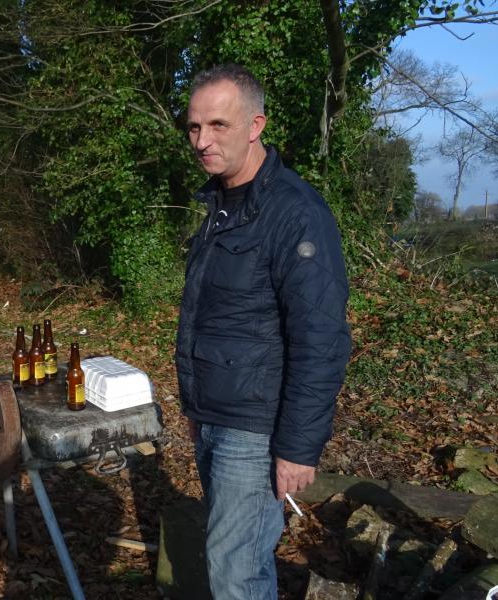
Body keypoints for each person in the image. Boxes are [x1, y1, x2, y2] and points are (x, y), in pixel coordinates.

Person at [175, 64, 352, 600]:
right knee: (236, 562)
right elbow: (218, 320)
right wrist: (196, 409)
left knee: (236, 572)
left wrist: (297, 448)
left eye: (218, 126)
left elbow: (321, 339)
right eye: (193, 127)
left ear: (256, 126)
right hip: (216, 416)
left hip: (255, 429)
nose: (202, 141)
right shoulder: (221, 206)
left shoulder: (294, 213)